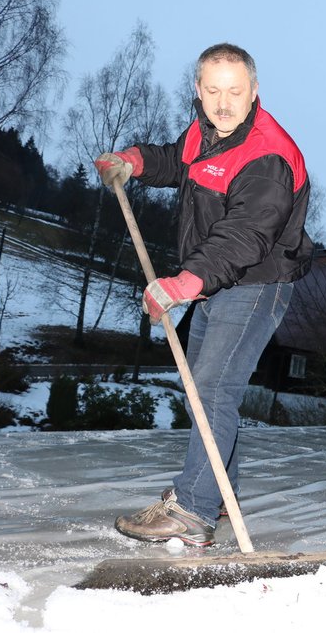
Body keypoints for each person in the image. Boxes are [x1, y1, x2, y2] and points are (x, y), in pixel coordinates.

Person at [94, 43, 314, 546]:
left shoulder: (269, 155)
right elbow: (178, 160)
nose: (222, 103)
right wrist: (133, 161)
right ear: (198, 90)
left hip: (256, 283)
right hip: (215, 282)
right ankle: (216, 499)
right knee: (204, 396)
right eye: (212, 91)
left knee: (212, 390)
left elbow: (245, 236)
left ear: (254, 91)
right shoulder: (204, 132)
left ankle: (192, 510)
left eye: (235, 92)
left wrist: (182, 285)